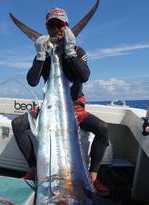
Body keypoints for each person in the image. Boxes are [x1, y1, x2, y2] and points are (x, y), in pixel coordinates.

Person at [12, 8, 109, 194]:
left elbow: (84, 76)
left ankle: (93, 177)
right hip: (50, 108)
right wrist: (40, 56)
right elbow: (32, 81)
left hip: (74, 107)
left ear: (67, 27)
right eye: (51, 25)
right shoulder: (44, 52)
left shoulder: (78, 50)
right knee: (18, 124)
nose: (55, 29)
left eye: (60, 25)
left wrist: (70, 53)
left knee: (103, 129)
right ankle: (33, 169)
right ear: (47, 28)